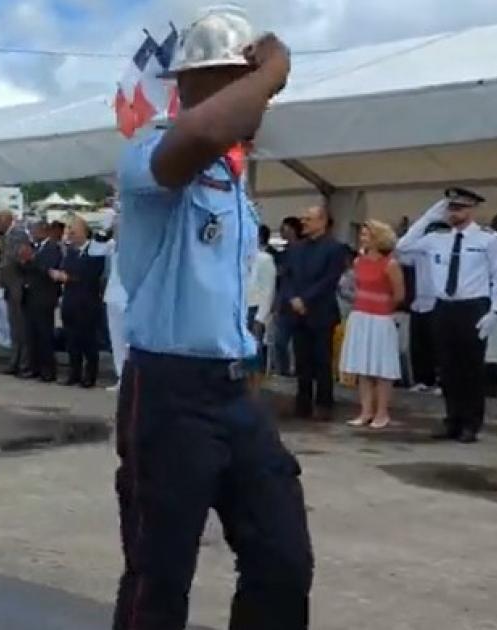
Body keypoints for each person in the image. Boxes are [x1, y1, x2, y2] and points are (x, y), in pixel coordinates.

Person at [113, 9, 311, 629]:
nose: (252, 95)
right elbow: (202, 134)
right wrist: (274, 69)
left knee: (282, 557)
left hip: (235, 387)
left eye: (249, 78)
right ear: (192, 84)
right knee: (159, 572)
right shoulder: (151, 152)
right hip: (168, 392)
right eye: (235, 78)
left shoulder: (231, 175)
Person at [396, 188, 497, 444]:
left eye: (459, 208)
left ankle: (471, 423)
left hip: (473, 306)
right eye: (451, 208)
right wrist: (429, 216)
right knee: (447, 367)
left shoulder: (489, 239)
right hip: (444, 306)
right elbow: (403, 246)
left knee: (471, 368)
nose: (454, 213)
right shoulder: (437, 238)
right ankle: (452, 419)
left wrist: (496, 311)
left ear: (472, 209)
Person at [281, 205, 347, 420]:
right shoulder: (295, 248)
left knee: (322, 359)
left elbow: (330, 280)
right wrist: (292, 297)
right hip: (297, 312)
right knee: (302, 360)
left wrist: (305, 298)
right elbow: (287, 276)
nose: (304, 223)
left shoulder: (335, 248)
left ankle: (324, 403)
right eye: (303, 218)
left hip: (321, 312)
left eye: (308, 219)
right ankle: (303, 402)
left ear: (322, 222)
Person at [339, 220, 406, 429]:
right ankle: (365, 411)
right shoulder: (359, 262)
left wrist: (382, 305)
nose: (362, 238)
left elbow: (399, 294)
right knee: (363, 367)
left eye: (366, 234)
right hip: (360, 316)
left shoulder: (391, 264)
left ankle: (382, 412)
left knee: (381, 368)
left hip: (380, 318)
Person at [52, 216, 107, 388]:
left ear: (83, 232)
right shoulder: (71, 252)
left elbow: (92, 275)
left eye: (74, 232)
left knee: (88, 341)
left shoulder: (95, 251)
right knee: (72, 341)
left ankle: (90, 376)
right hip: (70, 302)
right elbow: (65, 269)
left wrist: (68, 277)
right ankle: (73, 373)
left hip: (87, 303)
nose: (71, 236)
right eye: (70, 232)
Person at [406, 221, 449, 393]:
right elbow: (402, 248)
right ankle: (423, 379)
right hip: (419, 301)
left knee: (439, 345)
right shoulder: (419, 252)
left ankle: (442, 381)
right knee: (418, 343)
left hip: (439, 301)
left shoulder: (448, 252)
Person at [22, 221, 64, 381]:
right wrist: (25, 262)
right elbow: (30, 269)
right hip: (31, 296)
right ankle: (35, 368)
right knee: (32, 335)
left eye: (35, 230)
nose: (32, 233)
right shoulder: (37, 247)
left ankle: (48, 370)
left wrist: (33, 259)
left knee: (44, 334)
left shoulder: (52, 248)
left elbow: (48, 268)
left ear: (43, 230)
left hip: (44, 297)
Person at [0, 211, 31, 375]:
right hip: (9, 285)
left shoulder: (17, 234)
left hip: (18, 285)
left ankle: (22, 363)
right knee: (14, 328)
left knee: (21, 328)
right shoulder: (5, 237)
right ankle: (14, 361)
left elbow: (14, 259)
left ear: (7, 220)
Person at [246, 224, 277, 391]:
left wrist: (261, 317)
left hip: (254, 309)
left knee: (254, 353)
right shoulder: (241, 257)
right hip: (241, 309)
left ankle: (254, 392)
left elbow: (268, 290)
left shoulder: (264, 259)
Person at [271, 216, 303, 375]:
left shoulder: (301, 251)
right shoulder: (282, 254)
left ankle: (293, 369)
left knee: (294, 341)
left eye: (285, 229)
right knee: (280, 341)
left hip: (297, 300)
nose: (282, 232)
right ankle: (282, 370)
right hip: (283, 301)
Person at [103, 229, 128, 389]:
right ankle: (121, 376)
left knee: (128, 342)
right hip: (112, 296)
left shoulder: (134, 247)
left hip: (126, 297)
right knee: (116, 340)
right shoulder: (111, 246)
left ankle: (128, 376)